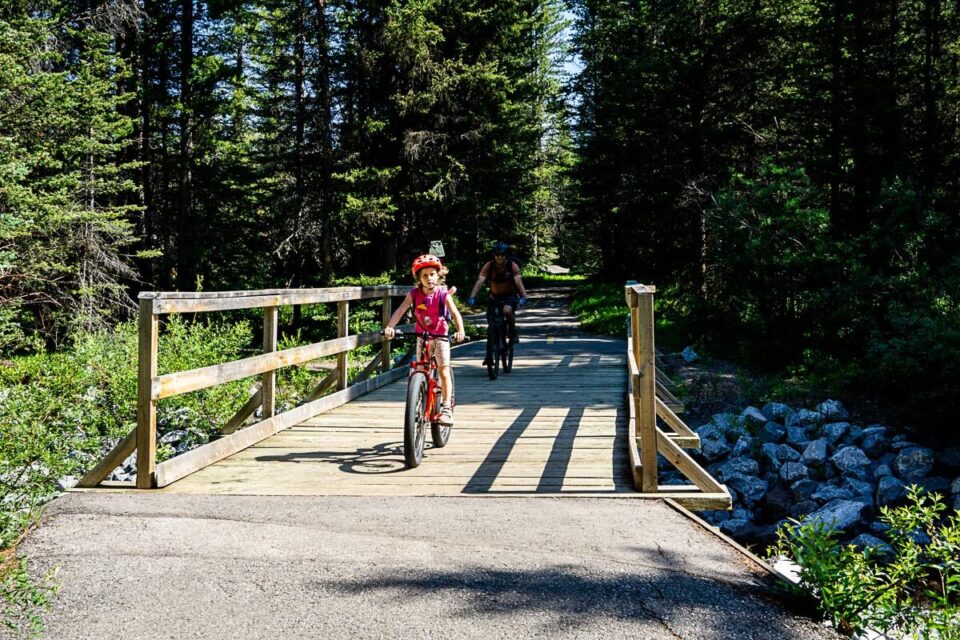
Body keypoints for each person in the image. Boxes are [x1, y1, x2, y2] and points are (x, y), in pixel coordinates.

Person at [384, 254, 466, 426]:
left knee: (443, 370)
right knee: (420, 368)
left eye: (432, 274)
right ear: (419, 278)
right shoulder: (414, 294)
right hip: (422, 337)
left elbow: (455, 314)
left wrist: (460, 331)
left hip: (441, 337)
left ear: (439, 275)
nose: (429, 278)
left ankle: (446, 408)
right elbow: (400, 310)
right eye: (424, 275)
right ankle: (420, 392)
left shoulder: (444, 295)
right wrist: (390, 327)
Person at [467, 241, 527, 347]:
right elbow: (480, 281)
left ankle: (512, 331)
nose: (500, 257)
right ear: (494, 255)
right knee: (491, 321)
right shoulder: (489, 266)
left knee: (507, 311)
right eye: (497, 255)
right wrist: (473, 296)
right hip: (494, 296)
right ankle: (490, 352)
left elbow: (518, 282)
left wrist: (523, 296)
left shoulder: (512, 266)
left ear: (506, 255)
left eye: (502, 255)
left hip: (509, 296)